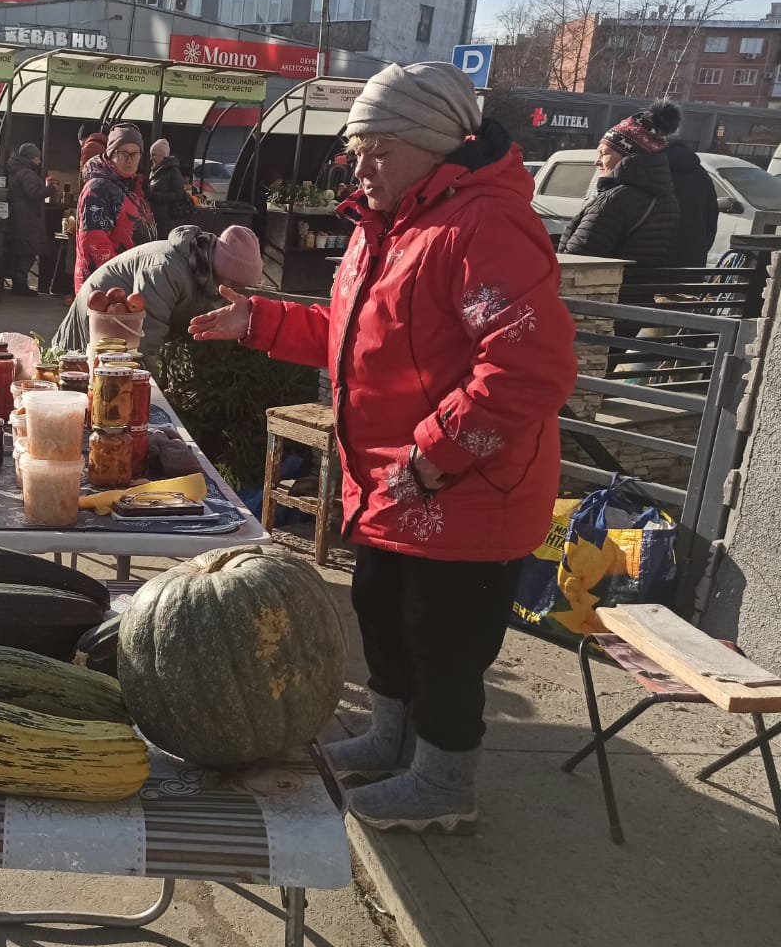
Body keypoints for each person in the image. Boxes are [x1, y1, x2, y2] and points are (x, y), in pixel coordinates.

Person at [191, 61, 577, 834]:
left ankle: (444, 782)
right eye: (357, 149)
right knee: (385, 615)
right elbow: (351, 334)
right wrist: (261, 321)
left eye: (379, 151)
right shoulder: (391, 224)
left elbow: (529, 365)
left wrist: (434, 456)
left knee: (445, 642)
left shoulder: (483, 225)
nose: (359, 167)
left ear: (436, 146)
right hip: (396, 485)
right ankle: (392, 740)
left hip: (464, 493)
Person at [53, 223, 262, 360]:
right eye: (236, 284)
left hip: (122, 325)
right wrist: (152, 392)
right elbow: (145, 337)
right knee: (84, 377)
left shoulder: (204, 272)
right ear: (222, 271)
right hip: (100, 314)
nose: (236, 292)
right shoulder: (166, 270)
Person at [558, 102, 681, 266]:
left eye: (604, 153)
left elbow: (577, 259)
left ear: (627, 155)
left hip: (608, 281)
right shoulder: (668, 199)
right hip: (641, 282)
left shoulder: (614, 201)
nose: (597, 161)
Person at [75, 123, 158, 292]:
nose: (130, 159)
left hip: (130, 283)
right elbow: (95, 242)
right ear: (111, 153)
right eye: (123, 153)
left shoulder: (131, 187)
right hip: (105, 288)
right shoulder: (98, 189)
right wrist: (120, 281)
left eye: (135, 153)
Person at [5, 143, 50, 296]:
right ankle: (20, 283)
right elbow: (33, 194)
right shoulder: (27, 174)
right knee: (29, 251)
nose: (40, 161)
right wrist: (50, 189)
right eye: (38, 157)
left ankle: (18, 282)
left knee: (21, 251)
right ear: (32, 158)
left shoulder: (17, 171)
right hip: (28, 218)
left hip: (18, 217)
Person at [665, 139, 719, 265]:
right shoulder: (702, 176)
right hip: (694, 256)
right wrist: (701, 247)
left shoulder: (658, 172)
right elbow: (712, 217)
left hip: (657, 258)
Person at [147, 138, 193, 235]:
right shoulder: (155, 170)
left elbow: (178, 194)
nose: (151, 158)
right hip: (156, 218)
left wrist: (155, 196)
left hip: (167, 219)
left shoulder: (173, 171)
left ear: (163, 155)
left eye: (154, 155)